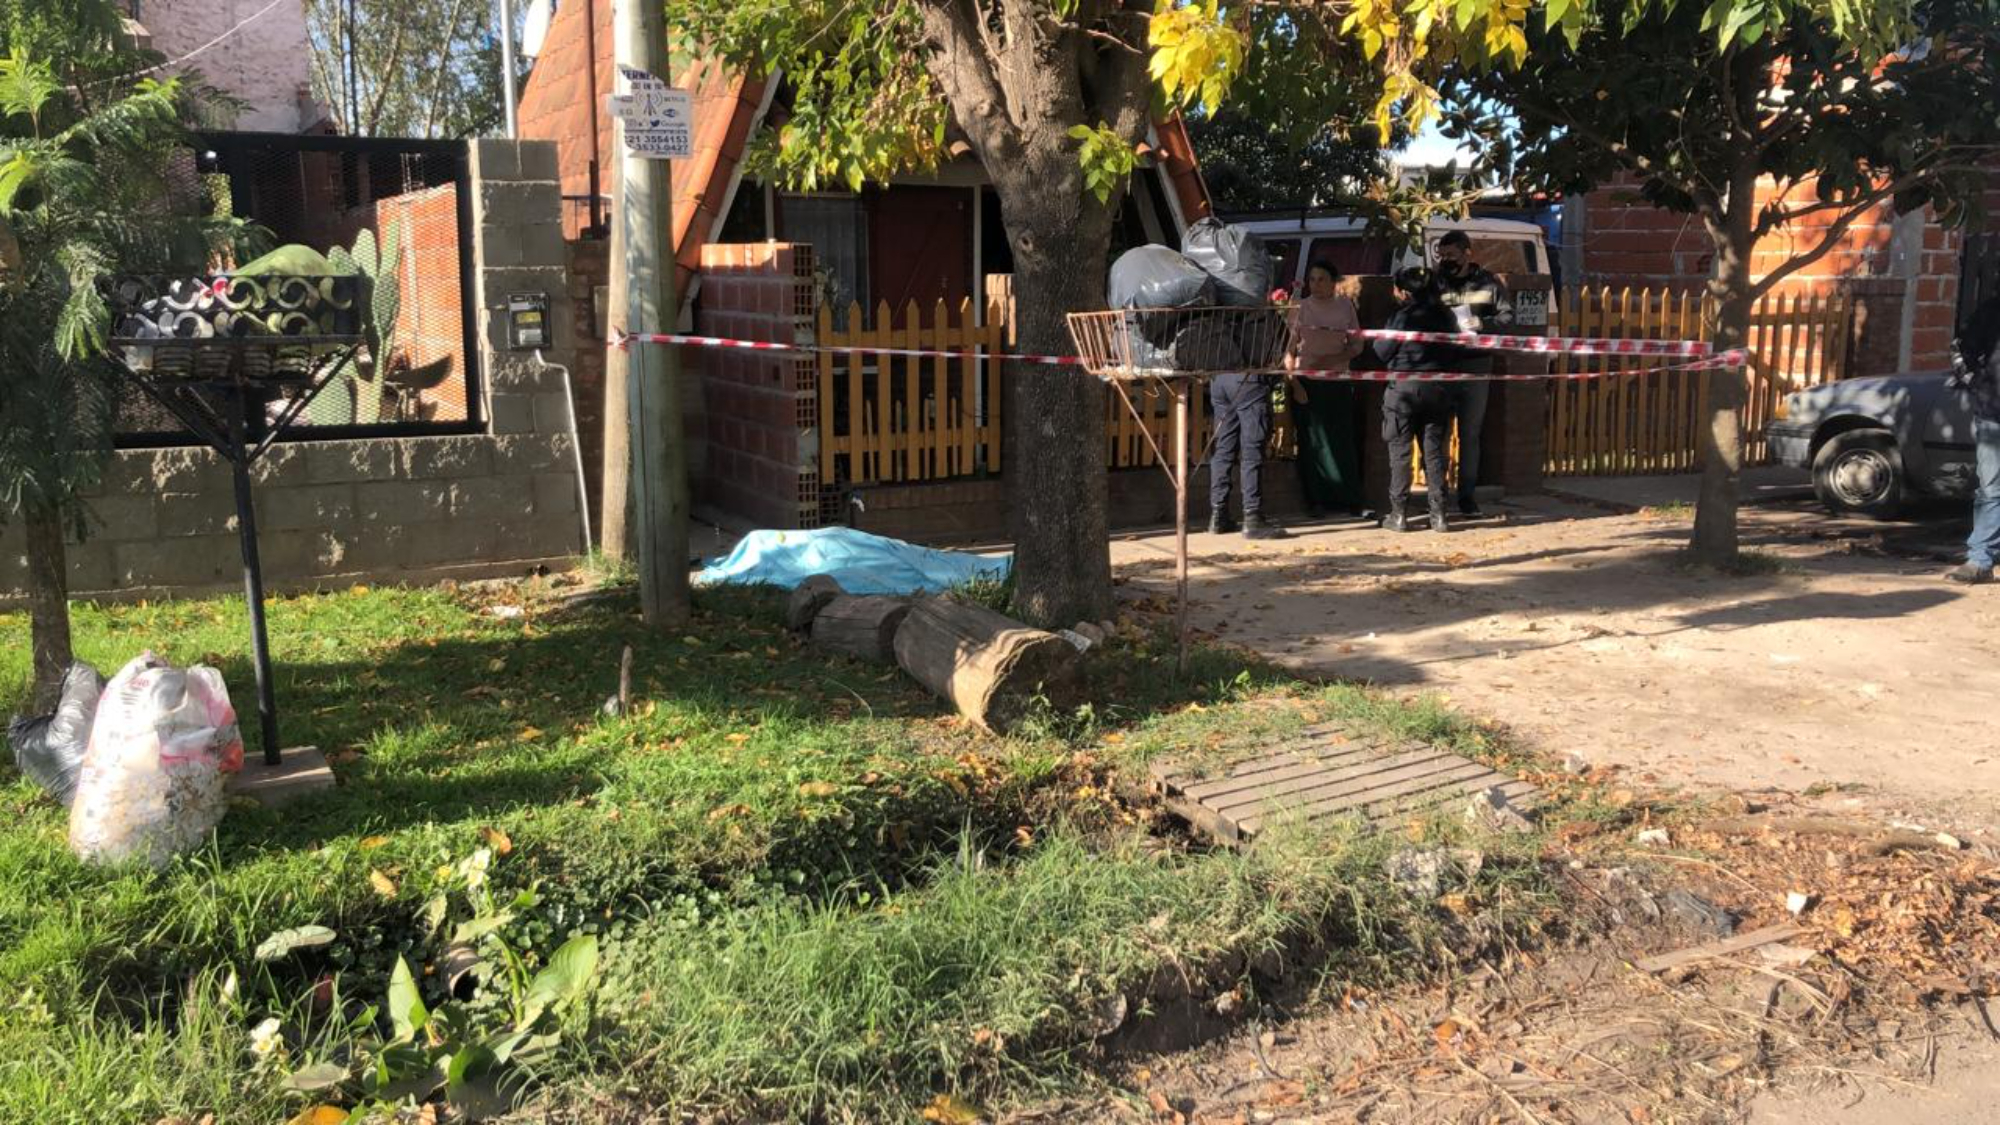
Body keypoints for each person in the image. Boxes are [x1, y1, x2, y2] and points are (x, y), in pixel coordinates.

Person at [1373, 267, 1468, 533]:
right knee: (1435, 453)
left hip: (1403, 390)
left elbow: (1381, 351)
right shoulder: (1446, 315)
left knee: (1400, 452)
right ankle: (1439, 516)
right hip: (1439, 389)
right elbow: (1457, 351)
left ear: (1404, 293)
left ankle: (1399, 515)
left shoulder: (1401, 317)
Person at [1434, 230, 1508, 517]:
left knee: (1470, 433)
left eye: (1451, 255)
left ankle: (1467, 496)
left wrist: (1482, 323)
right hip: (1441, 364)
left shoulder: (1488, 283)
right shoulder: (1436, 281)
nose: (1446, 261)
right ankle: (1437, 495)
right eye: (1442, 256)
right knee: (1437, 433)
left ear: (1467, 253)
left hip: (1476, 364)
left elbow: (1507, 318)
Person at [1286, 261, 1366, 518]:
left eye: (1322, 279)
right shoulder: (1300, 308)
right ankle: (1317, 500)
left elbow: (1357, 345)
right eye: (1312, 280)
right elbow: (1287, 351)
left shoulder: (1345, 306)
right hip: (1307, 384)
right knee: (1314, 443)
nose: (1316, 285)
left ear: (1333, 282)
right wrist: (1295, 383)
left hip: (1338, 381)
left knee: (1342, 440)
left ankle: (1350, 498)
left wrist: (1332, 361)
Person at [1946, 295, 2000, 584]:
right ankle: (1980, 560)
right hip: (1994, 415)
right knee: (1991, 491)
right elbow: (1961, 349)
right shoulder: (1993, 310)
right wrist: (1976, 384)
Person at [1208, 355, 1288, 540]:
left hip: (1219, 379)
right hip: (1249, 379)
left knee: (1223, 449)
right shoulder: (1266, 325)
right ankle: (1252, 517)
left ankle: (1218, 514)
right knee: (1252, 451)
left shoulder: (1225, 325)